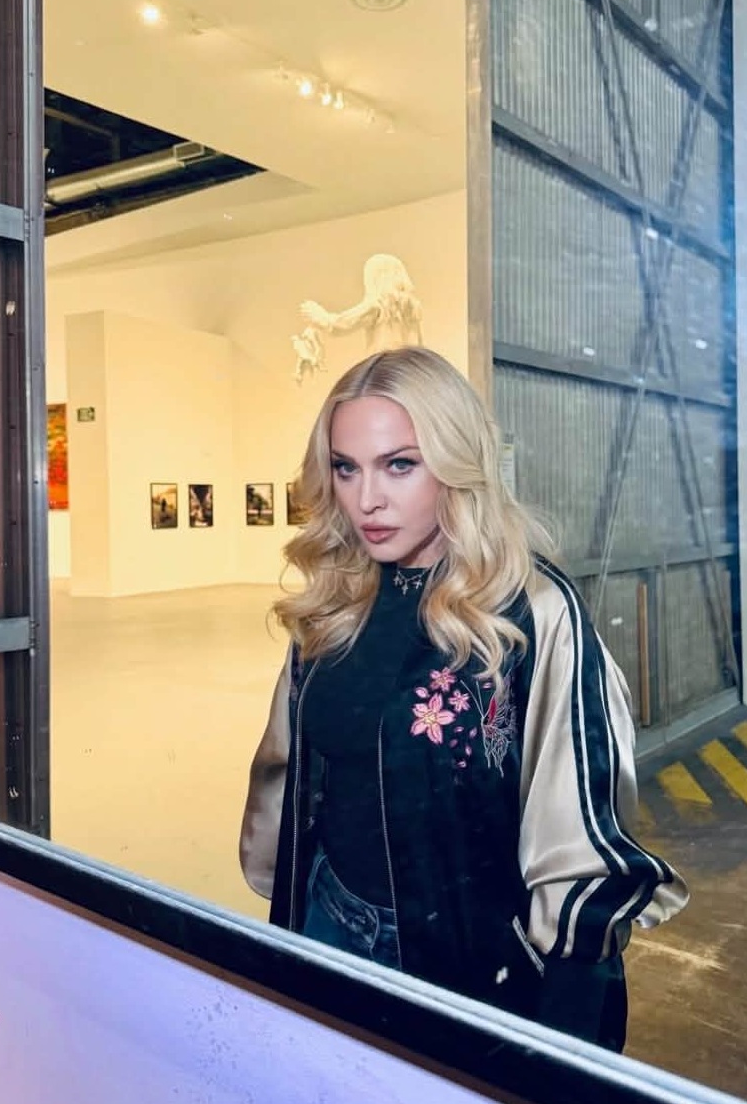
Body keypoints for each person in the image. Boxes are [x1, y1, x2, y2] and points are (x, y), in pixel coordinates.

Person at [240, 346, 688, 1051]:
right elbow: (290, 770)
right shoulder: (334, 603)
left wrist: (566, 1013)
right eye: (346, 467)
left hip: (464, 964)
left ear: (456, 462)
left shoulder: (532, 610)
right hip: (326, 921)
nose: (367, 499)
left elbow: (578, 823)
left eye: (399, 465)